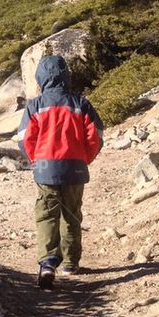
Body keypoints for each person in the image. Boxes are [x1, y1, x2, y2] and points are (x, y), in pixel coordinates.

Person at [17, 55, 103, 289]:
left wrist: (36, 160)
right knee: (72, 214)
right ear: (67, 76)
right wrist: (84, 159)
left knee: (47, 214)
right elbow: (95, 136)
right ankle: (71, 263)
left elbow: (25, 139)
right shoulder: (80, 103)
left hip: (45, 169)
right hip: (75, 167)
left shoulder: (35, 105)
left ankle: (47, 263)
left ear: (40, 78)